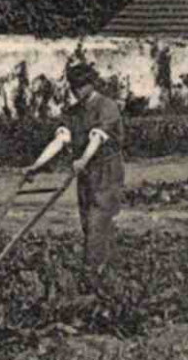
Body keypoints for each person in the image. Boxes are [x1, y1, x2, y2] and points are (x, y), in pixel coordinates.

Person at [24, 62, 125, 282]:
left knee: (98, 220)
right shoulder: (73, 112)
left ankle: (92, 274)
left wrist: (84, 159)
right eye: (73, 85)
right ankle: (107, 268)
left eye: (81, 85)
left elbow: (97, 138)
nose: (76, 90)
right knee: (88, 223)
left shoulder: (106, 106)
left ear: (91, 84)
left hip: (107, 169)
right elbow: (60, 140)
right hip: (86, 171)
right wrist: (37, 165)